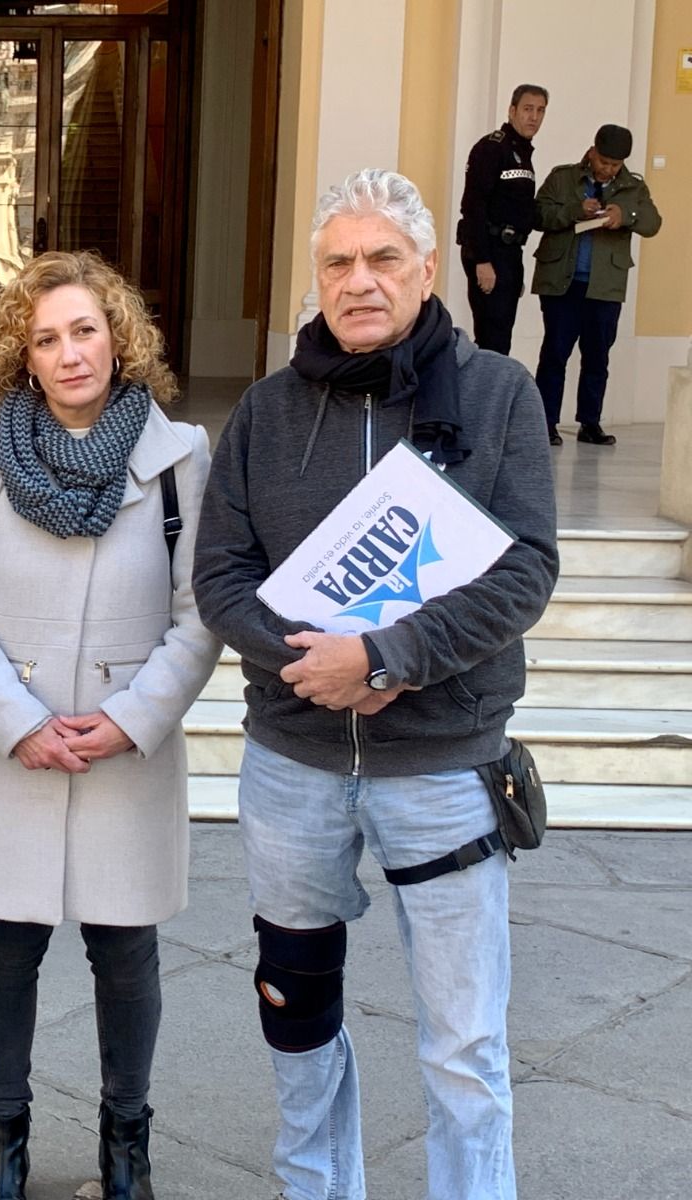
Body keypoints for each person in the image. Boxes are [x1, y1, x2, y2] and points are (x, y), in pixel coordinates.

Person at [193, 169, 559, 1200]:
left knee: (461, 1043)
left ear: (427, 268)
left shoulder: (498, 395)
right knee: (296, 1020)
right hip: (293, 769)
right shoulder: (266, 411)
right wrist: (308, 662)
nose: (358, 281)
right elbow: (219, 573)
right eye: (337, 263)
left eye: (381, 259)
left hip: (443, 767)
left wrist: (390, 658)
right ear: (317, 279)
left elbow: (525, 568)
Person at [0, 251, 221, 1200]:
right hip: (19, 749)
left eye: (84, 329)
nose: (69, 352)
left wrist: (133, 720)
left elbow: (201, 610)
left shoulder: (178, 458)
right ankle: (1, 1141)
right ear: (23, 355)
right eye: (45, 337)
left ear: (117, 335)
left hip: (126, 748)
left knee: (124, 949)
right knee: (6, 945)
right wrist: (18, 722)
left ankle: (125, 1144)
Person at [532, 122, 662, 445]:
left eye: (614, 165)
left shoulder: (633, 187)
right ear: (592, 152)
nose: (607, 169)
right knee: (554, 353)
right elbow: (538, 214)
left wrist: (625, 215)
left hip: (605, 286)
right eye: (603, 161)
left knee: (597, 357)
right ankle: (545, 421)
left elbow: (652, 222)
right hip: (563, 282)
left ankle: (590, 423)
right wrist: (576, 210)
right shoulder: (562, 177)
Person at [456, 83, 547, 355]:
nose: (534, 117)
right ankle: (484, 398)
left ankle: (495, 396)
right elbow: (473, 206)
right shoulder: (492, 148)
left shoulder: (522, 152)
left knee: (501, 338)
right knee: (491, 340)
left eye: (540, 111)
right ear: (512, 110)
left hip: (510, 253)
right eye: (528, 109)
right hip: (489, 251)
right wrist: (483, 261)